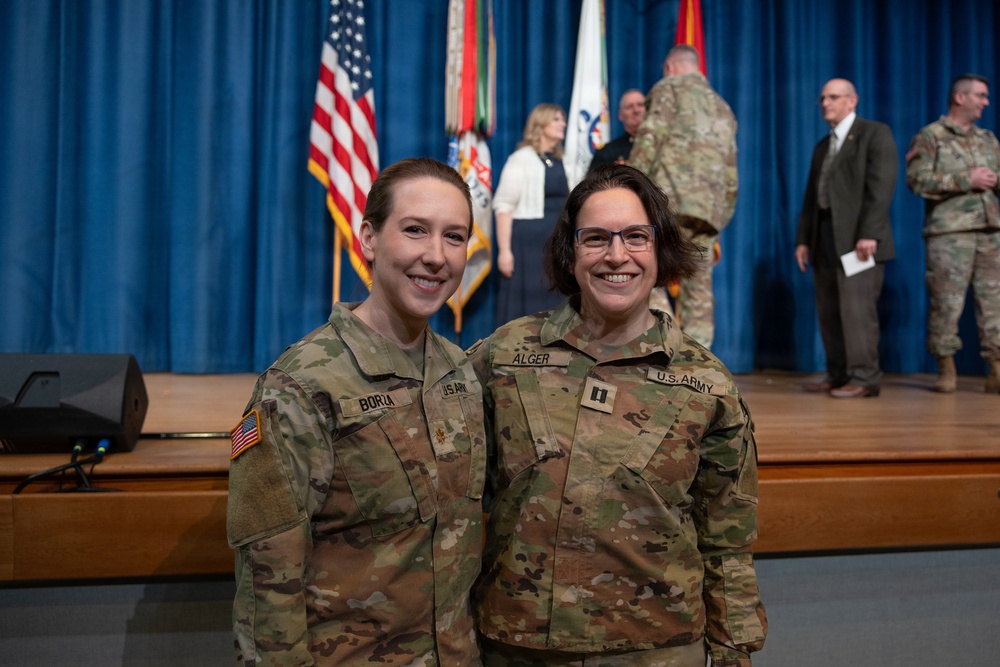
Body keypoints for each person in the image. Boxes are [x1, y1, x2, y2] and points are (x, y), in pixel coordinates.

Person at [469, 164, 767, 667]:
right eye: (595, 238)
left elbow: (727, 540)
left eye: (635, 236)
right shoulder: (504, 355)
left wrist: (734, 651)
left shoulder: (707, 382)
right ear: (570, 251)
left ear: (661, 249)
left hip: (656, 650)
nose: (616, 255)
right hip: (518, 647)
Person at [226, 158, 487, 666]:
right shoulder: (300, 387)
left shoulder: (461, 374)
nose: (436, 256)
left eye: (454, 237)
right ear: (368, 238)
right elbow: (268, 586)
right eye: (415, 230)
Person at [629, 44, 737, 349]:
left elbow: (651, 136)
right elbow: (731, 169)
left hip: (668, 203)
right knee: (699, 290)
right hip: (708, 211)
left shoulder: (669, 88)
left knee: (650, 275)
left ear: (670, 67)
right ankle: (699, 359)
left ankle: (665, 347)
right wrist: (721, 214)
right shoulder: (723, 106)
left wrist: (630, 185)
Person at [795, 78, 898, 399]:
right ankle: (837, 373)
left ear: (852, 101)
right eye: (823, 97)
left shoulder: (873, 134)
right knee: (829, 310)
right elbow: (811, 197)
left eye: (834, 97)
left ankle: (864, 377)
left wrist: (869, 233)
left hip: (859, 240)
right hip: (825, 237)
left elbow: (880, 189)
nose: (826, 103)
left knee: (856, 310)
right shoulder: (823, 146)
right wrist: (803, 240)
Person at [905, 73, 1000, 393]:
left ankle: (996, 368)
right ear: (960, 97)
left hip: (990, 230)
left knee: (995, 303)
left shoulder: (987, 139)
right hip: (950, 234)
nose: (986, 102)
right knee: (946, 303)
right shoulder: (930, 136)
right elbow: (917, 180)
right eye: (981, 96)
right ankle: (946, 367)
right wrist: (965, 179)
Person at [493, 103, 571, 324]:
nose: (562, 124)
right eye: (556, 119)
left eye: (563, 119)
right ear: (541, 123)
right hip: (528, 247)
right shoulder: (521, 159)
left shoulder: (564, 160)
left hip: (558, 244)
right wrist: (505, 251)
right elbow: (504, 207)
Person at [587, 89, 646, 173]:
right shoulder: (606, 153)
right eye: (629, 106)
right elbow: (593, 184)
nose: (636, 110)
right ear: (620, 115)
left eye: (640, 105)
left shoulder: (664, 146)